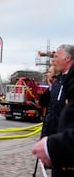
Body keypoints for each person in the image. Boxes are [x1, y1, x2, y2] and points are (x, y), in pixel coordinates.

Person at [32, 44, 74, 177]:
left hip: (65, 143)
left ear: (67, 59)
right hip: (56, 138)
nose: (52, 60)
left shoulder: (69, 82)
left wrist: (53, 144)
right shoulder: (58, 82)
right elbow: (48, 106)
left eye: (56, 56)